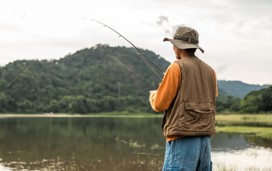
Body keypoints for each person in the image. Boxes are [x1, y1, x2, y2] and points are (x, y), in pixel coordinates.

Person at [149, 26, 218, 171]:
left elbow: (159, 105)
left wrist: (154, 95)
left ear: (178, 46)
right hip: (204, 139)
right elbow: (210, 96)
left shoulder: (176, 67)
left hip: (182, 137)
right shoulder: (211, 71)